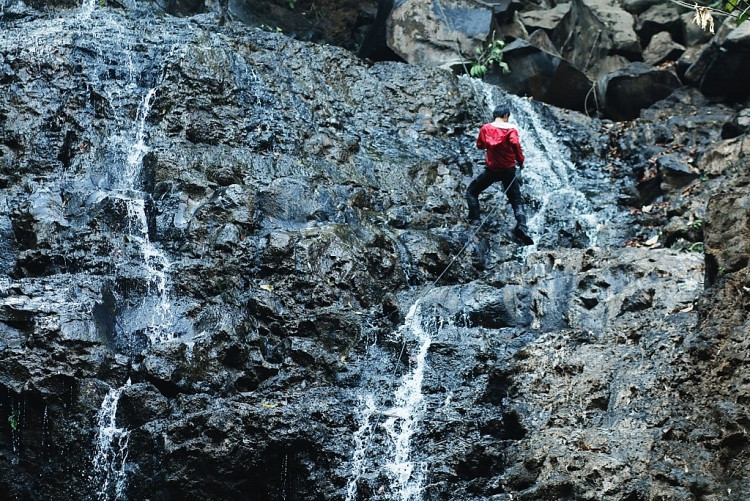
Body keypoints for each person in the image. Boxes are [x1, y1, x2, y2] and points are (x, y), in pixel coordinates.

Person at [466, 104, 533, 245]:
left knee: (472, 191)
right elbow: (515, 144)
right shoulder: (511, 130)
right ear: (505, 116)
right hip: (508, 170)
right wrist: (521, 161)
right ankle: (522, 227)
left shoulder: (486, 128)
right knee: (516, 200)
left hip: (492, 170)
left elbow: (480, 145)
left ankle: (475, 221)